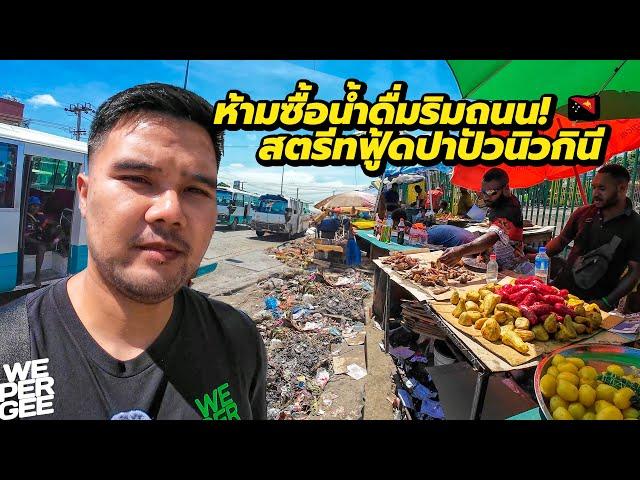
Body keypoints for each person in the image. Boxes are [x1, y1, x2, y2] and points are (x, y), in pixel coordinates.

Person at [0, 83, 266, 420]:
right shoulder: (9, 349)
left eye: (195, 190)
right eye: (138, 179)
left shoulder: (238, 341)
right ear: (84, 195)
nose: (170, 211)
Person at [546, 164, 640, 310]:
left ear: (622, 188)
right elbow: (561, 241)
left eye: (602, 189)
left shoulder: (635, 224)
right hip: (561, 292)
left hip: (595, 303)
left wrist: (606, 301)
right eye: (594, 187)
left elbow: (634, 271)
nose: (595, 193)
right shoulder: (583, 213)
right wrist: (536, 255)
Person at [439, 167, 533, 274]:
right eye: (483, 192)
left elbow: (492, 237)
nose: (486, 197)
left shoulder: (508, 208)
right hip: (499, 266)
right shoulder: (499, 202)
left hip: (514, 270)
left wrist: (460, 250)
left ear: (506, 189)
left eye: (492, 192)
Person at [24, 195, 69, 287]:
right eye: (33, 205)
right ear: (28, 206)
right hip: (29, 243)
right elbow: (26, 238)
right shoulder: (25, 218)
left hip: (40, 238)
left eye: (37, 206)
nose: (36, 208)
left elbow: (50, 222)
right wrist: (41, 243)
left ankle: (58, 245)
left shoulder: (39, 216)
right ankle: (37, 277)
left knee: (58, 232)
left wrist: (57, 226)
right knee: (41, 248)